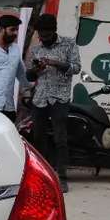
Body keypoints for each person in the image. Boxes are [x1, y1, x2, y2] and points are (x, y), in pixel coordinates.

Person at [26, 13, 81, 193]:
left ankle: (62, 178)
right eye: (41, 35)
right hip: (40, 97)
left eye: (47, 35)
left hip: (60, 97)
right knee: (39, 138)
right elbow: (29, 75)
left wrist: (56, 63)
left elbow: (76, 68)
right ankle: (43, 177)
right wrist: (37, 69)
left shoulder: (69, 44)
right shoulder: (35, 49)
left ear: (54, 31)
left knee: (60, 138)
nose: (44, 39)